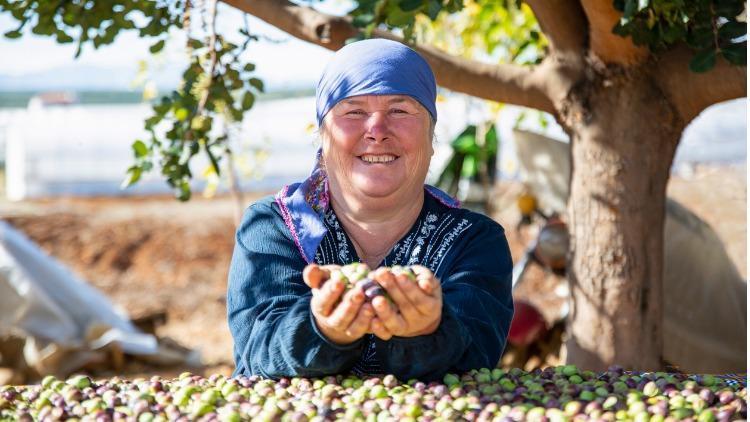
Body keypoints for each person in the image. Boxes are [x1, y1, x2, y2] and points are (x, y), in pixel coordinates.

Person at [227, 39, 514, 381]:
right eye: (354, 111)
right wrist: (321, 328)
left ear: (431, 136)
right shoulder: (273, 227)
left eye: (400, 110)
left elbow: (477, 356)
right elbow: (257, 349)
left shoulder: (476, 241)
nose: (376, 131)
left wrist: (428, 330)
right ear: (324, 135)